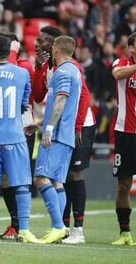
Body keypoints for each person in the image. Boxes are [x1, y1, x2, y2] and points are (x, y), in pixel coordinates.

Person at [29, 26, 95, 244]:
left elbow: (70, 99)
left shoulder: (66, 70)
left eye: (42, 41)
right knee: (58, 180)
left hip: (67, 129)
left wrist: (56, 128)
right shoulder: (60, 69)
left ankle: (63, 227)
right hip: (61, 128)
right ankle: (63, 228)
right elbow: (42, 97)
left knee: (42, 177)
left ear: (55, 45)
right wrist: (41, 123)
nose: (37, 45)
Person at [0, 35, 41, 243]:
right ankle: (24, 230)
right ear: (11, 51)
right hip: (15, 136)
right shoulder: (22, 73)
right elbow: (24, 104)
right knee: (21, 184)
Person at [111, 31, 136, 246]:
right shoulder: (121, 62)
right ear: (131, 48)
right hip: (124, 133)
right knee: (124, 185)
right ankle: (125, 233)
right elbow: (117, 74)